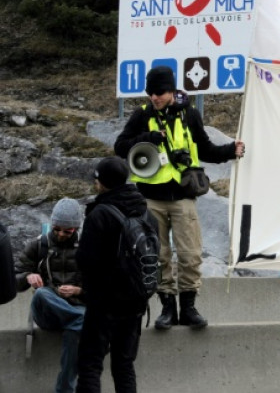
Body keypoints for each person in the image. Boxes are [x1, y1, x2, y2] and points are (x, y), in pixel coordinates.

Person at [114, 65, 244, 330]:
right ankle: (166, 309)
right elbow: (120, 147)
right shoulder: (142, 115)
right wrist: (148, 137)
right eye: (151, 93)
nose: (155, 98)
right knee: (158, 255)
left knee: (190, 254)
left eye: (160, 92)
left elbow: (205, 148)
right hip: (150, 198)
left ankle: (189, 308)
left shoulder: (190, 114)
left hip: (184, 196)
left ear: (172, 90)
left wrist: (231, 150)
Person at [76, 156, 157, 393]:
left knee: (90, 363)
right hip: (136, 303)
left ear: (101, 182)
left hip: (104, 303)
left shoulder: (100, 213)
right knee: (124, 365)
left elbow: (85, 260)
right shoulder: (146, 214)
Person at [14, 197, 87, 393]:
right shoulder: (39, 245)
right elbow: (14, 278)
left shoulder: (88, 248)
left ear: (76, 229)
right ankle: (84, 319)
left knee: (76, 327)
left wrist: (79, 291)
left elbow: (103, 287)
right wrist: (28, 276)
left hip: (76, 307)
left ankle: (64, 390)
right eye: (57, 229)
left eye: (68, 231)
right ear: (52, 224)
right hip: (48, 312)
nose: (61, 234)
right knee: (41, 294)